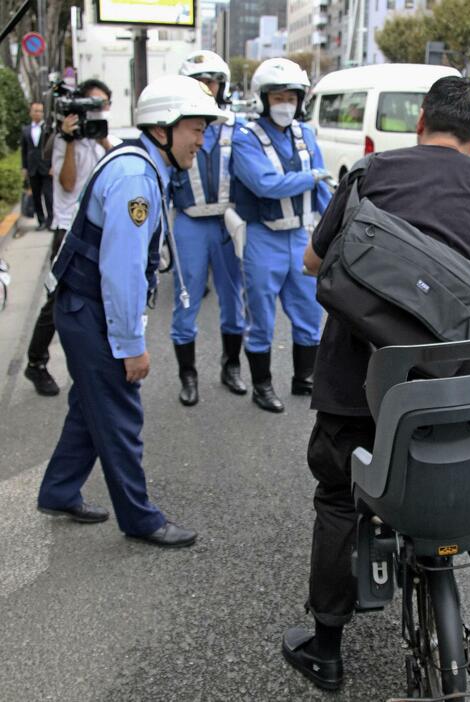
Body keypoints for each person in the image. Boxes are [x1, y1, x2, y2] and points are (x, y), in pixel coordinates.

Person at [281, 76, 470, 689]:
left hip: (355, 382)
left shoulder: (370, 173)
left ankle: (327, 647)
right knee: (448, 459)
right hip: (457, 393)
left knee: (340, 495)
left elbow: (314, 263)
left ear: (421, 120)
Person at [37, 76, 227, 547]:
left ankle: (58, 491)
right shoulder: (136, 178)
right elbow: (120, 272)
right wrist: (131, 347)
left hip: (83, 305)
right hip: (91, 311)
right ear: (163, 129)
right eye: (196, 131)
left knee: (89, 406)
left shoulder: (142, 163)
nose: (201, 143)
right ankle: (140, 519)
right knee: (121, 413)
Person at [232, 58, 333, 413]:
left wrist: (339, 219)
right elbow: (264, 185)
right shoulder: (245, 137)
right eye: (277, 97)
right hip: (264, 237)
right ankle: (262, 386)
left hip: (301, 236)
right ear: (262, 99)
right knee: (261, 316)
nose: (285, 103)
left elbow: (322, 192)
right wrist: (313, 177)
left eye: (291, 96)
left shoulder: (305, 134)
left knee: (308, 312)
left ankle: (304, 378)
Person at [24, 79, 119, 397]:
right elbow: (66, 186)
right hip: (69, 230)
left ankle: (98, 363)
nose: (97, 110)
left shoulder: (107, 139)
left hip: (100, 230)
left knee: (101, 298)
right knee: (56, 301)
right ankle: (36, 362)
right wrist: (69, 139)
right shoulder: (64, 141)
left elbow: (118, 173)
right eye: (91, 104)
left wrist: (102, 141)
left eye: (102, 104)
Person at [170, 50, 246, 406]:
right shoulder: (174, 124)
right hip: (190, 223)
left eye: (211, 81)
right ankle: (188, 375)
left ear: (222, 85)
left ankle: (231, 366)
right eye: (199, 82)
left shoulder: (236, 125)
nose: (206, 87)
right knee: (186, 301)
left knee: (234, 299)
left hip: (228, 223)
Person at [21, 101, 53, 231]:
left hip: (46, 167)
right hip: (32, 167)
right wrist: (24, 167)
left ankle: (51, 220)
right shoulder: (25, 129)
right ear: (30, 112)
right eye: (35, 110)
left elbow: (53, 149)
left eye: (40, 111)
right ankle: (41, 221)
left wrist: (53, 165)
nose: (38, 113)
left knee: (48, 195)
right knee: (36, 196)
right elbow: (24, 149)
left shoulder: (48, 128)